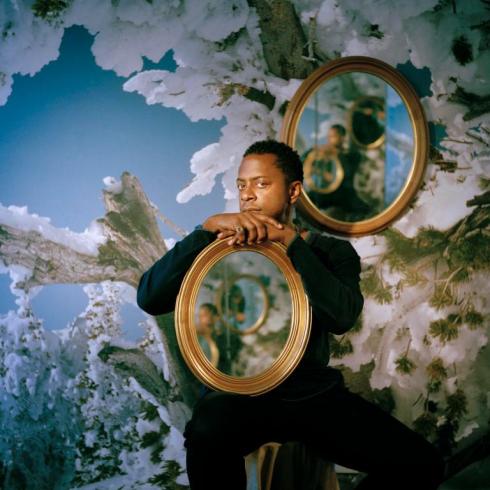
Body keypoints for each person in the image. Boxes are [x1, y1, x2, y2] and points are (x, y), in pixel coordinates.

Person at [136, 140, 445, 490]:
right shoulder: (218, 247)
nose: (248, 195)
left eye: (261, 184)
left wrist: (292, 245)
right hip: (238, 398)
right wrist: (204, 230)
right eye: (242, 185)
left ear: (293, 190)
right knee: (207, 434)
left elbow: (342, 317)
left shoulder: (330, 251)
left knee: (422, 464)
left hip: (312, 396)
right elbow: (149, 297)